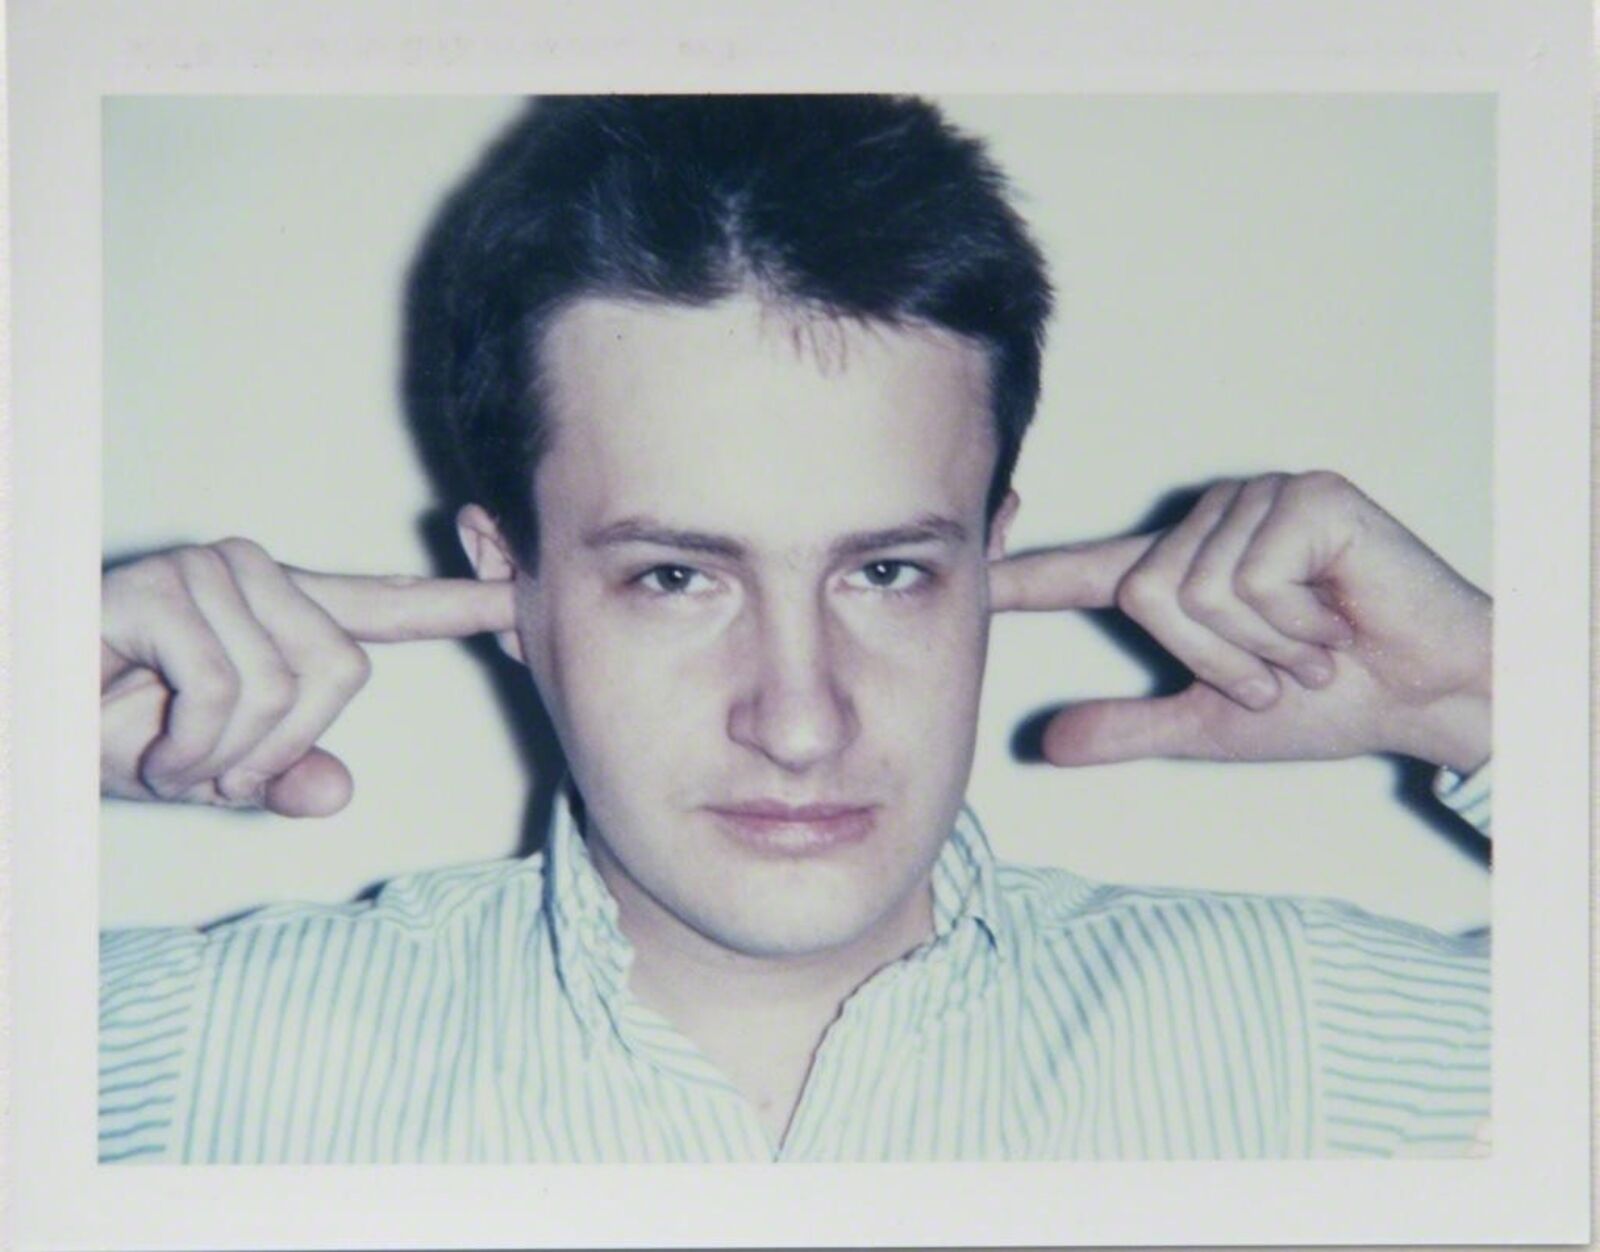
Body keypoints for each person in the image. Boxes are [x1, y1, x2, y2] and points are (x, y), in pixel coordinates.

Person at [98, 95, 1491, 1163]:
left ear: (992, 560)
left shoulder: (1297, 1044)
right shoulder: (191, 1069)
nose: (801, 716)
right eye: (673, 578)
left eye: (886, 572)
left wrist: (1491, 700)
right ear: (505, 582)